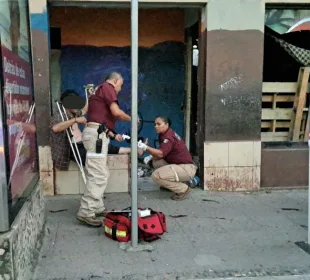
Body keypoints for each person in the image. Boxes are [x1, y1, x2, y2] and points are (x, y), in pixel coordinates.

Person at [77, 71, 133, 227]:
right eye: (120, 86)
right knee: (99, 175)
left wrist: (113, 136)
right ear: (114, 81)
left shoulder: (97, 91)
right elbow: (116, 112)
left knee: (99, 172)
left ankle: (97, 207)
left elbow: (99, 119)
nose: (119, 90)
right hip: (96, 136)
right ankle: (86, 211)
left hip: (96, 133)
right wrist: (132, 118)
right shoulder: (108, 87)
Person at [138, 116, 197, 201]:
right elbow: (162, 153)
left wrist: (146, 147)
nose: (156, 126)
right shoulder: (165, 134)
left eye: (159, 124)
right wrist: (150, 156)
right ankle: (169, 184)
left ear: (166, 125)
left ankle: (183, 189)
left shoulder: (168, 138)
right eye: (155, 124)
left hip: (186, 169)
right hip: (179, 165)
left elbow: (161, 154)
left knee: (156, 176)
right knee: (154, 162)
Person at [50, 90, 87, 171]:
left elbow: (84, 111)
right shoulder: (60, 115)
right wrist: (75, 120)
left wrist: (90, 97)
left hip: (79, 145)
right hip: (68, 151)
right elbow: (55, 128)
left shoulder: (73, 112)